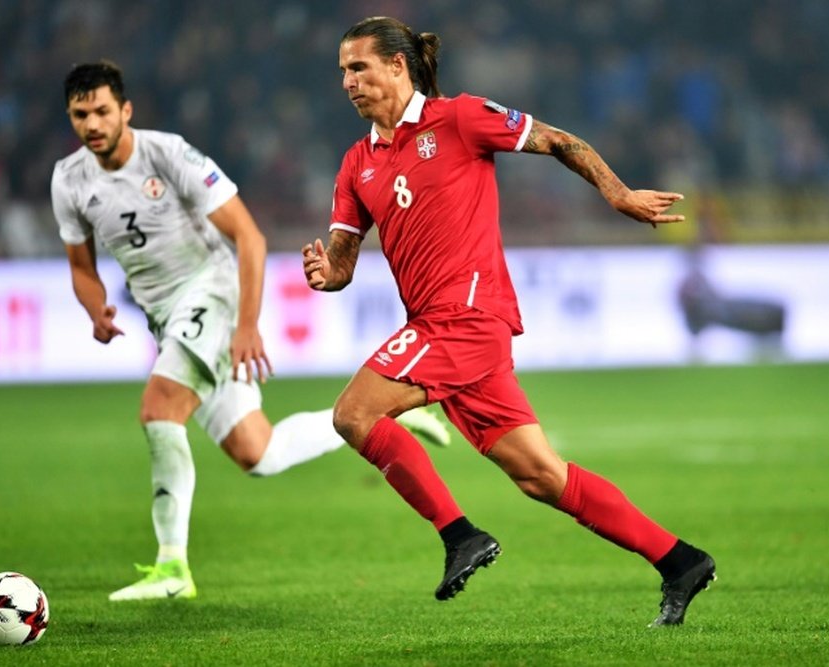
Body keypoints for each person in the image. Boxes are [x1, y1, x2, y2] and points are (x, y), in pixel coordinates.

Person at [302, 17, 715, 627]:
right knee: (542, 476)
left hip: (466, 314)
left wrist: (618, 193)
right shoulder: (356, 163)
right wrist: (323, 271)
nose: (348, 81)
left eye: (359, 66)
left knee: (353, 414)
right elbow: (341, 266)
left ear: (397, 65)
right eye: (342, 70)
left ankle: (459, 535)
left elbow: (557, 140)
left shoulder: (460, 118)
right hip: (444, 328)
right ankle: (679, 560)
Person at [50, 60, 450, 602]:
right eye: (80, 114)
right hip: (167, 318)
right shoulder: (69, 179)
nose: (92, 123)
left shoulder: (168, 155)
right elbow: (81, 266)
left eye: (101, 111)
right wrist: (96, 308)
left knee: (159, 409)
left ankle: (172, 568)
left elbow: (250, 237)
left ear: (125, 111)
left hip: (212, 294)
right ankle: (386, 413)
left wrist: (245, 326)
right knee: (257, 453)